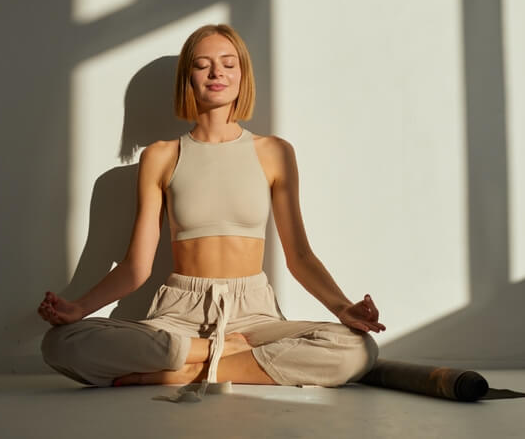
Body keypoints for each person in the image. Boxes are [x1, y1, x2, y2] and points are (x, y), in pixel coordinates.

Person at [38, 24, 383, 391]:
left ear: (242, 74)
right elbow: (135, 267)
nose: (217, 73)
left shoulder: (275, 153)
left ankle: (185, 372)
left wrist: (343, 308)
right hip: (179, 317)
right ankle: (222, 354)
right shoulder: (161, 156)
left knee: (356, 349)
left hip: (254, 317)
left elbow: (299, 255)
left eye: (228, 64)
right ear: (188, 78)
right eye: (203, 65)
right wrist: (78, 309)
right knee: (62, 344)